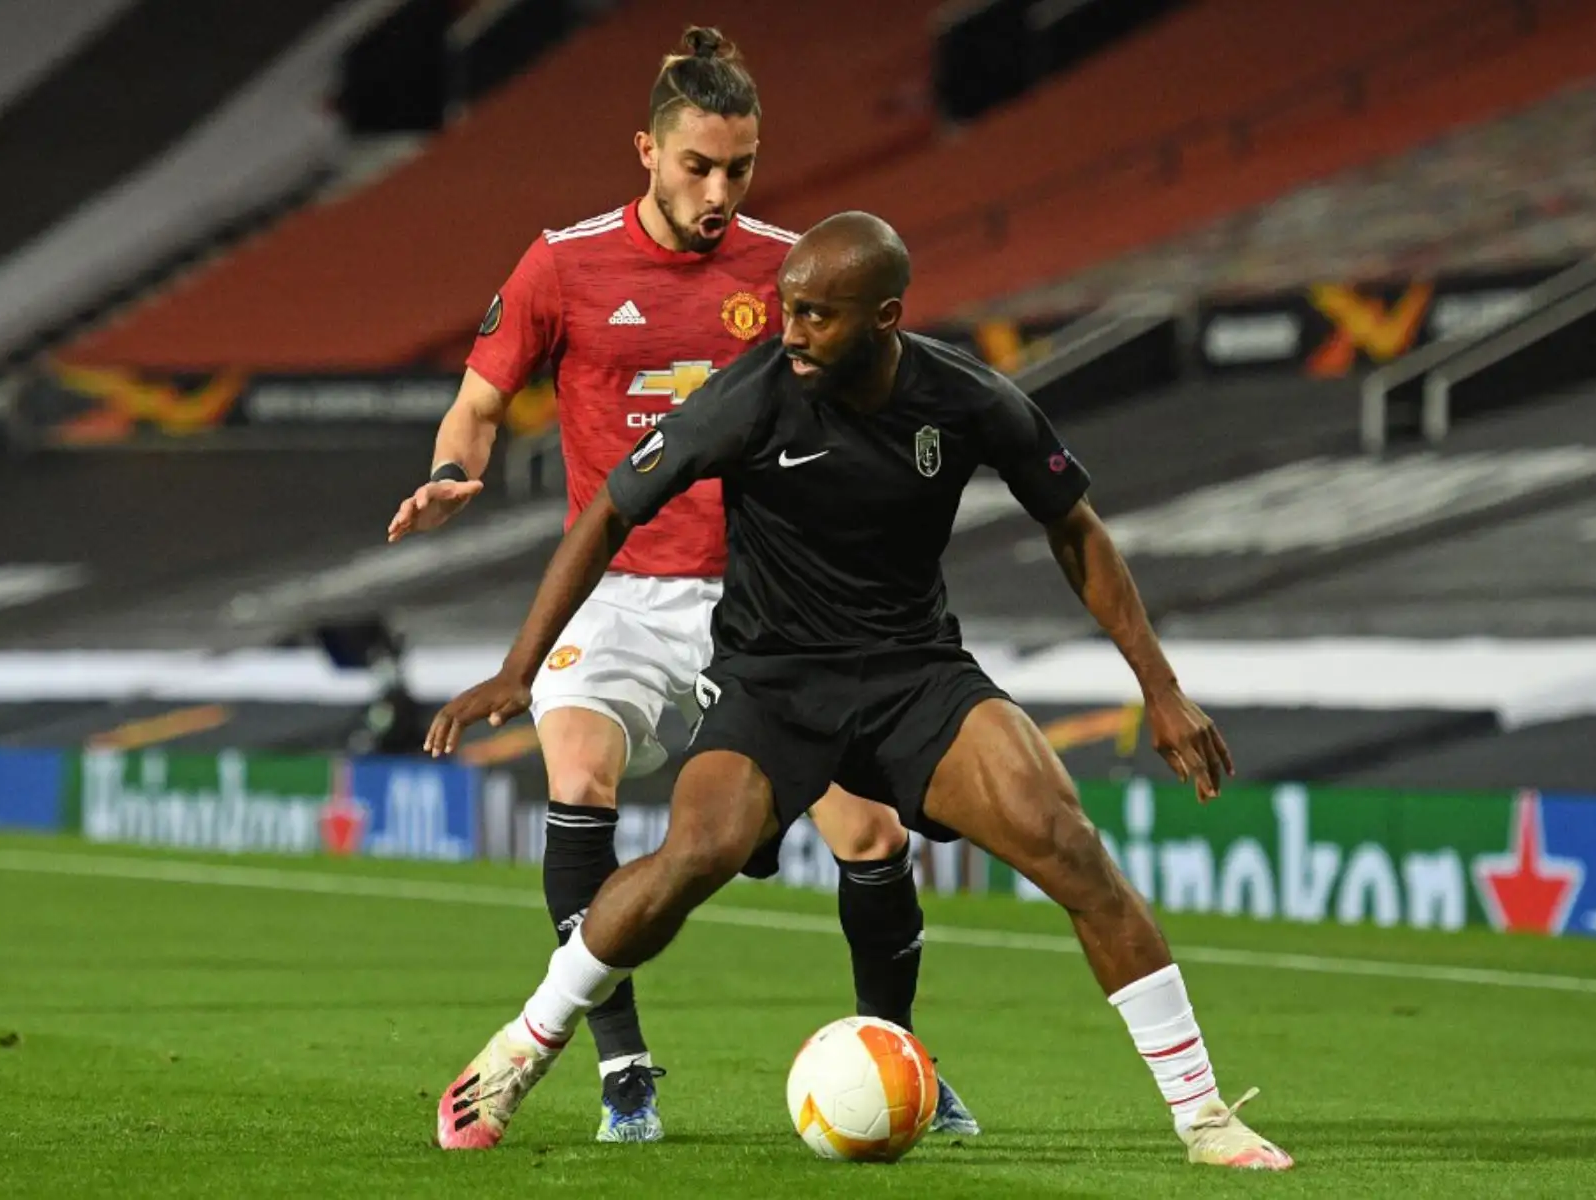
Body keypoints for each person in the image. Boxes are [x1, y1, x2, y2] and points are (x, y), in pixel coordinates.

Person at [426, 211, 1295, 1170]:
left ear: (885, 317)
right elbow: (606, 516)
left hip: (914, 675)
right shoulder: (746, 396)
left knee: (1069, 845)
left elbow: (1076, 529)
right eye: (789, 309)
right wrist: (519, 667)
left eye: (816, 316)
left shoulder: (967, 397)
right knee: (695, 854)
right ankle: (519, 1050)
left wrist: (1161, 690)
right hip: (775, 681)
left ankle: (1205, 1116)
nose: (789, 332)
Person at [386, 29, 978, 1144]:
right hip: (612, 593)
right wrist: (451, 470)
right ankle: (623, 1070)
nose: (720, 191)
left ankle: (898, 1061)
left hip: (764, 604)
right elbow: (477, 397)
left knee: (871, 840)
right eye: (698, 166)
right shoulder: (562, 263)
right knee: (578, 771)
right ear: (646, 151)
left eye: (740, 169)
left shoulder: (795, 270)